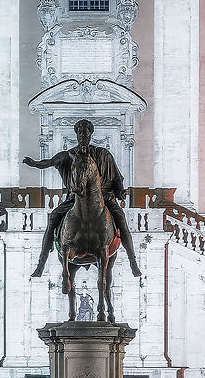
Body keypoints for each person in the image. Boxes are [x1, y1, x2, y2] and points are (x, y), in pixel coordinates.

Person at [24, 119, 140, 279]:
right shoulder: (68, 155)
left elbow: (116, 176)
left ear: (90, 134)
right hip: (75, 199)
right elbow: (51, 162)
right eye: (79, 132)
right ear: (76, 134)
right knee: (53, 218)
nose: (82, 135)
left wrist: (119, 190)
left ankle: (132, 261)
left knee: (120, 218)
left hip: (104, 199)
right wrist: (36, 164)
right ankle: (41, 263)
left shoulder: (103, 154)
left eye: (85, 132)